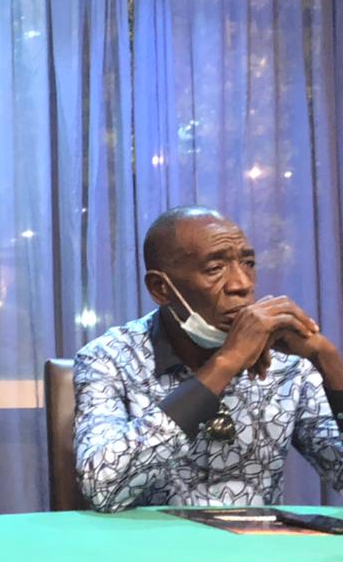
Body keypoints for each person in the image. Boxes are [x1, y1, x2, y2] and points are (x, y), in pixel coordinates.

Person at [74, 206, 343, 512]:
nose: (242, 284)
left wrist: (328, 360)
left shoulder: (287, 364)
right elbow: (102, 486)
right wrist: (224, 364)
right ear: (161, 289)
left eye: (248, 263)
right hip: (151, 542)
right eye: (215, 268)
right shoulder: (109, 358)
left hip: (259, 542)